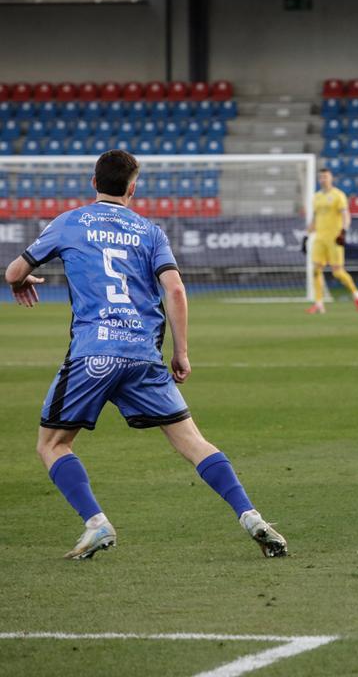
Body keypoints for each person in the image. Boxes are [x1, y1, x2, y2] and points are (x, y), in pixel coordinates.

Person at [5, 150, 288, 560]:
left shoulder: (69, 222)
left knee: (52, 444)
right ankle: (251, 516)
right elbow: (175, 290)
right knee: (193, 441)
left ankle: (96, 523)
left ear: (93, 182)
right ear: (132, 188)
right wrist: (181, 352)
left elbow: (14, 271)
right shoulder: (150, 231)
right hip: (143, 353)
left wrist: (21, 281)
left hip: (95, 352)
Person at [305, 167, 358, 315]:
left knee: (337, 272)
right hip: (319, 238)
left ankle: (356, 294)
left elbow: (346, 215)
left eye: (325, 177)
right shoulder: (316, 197)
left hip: (335, 238)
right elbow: (315, 218)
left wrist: (343, 231)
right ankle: (319, 303)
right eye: (321, 177)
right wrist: (306, 235)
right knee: (315, 270)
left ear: (331, 178)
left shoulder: (338, 195)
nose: (323, 179)